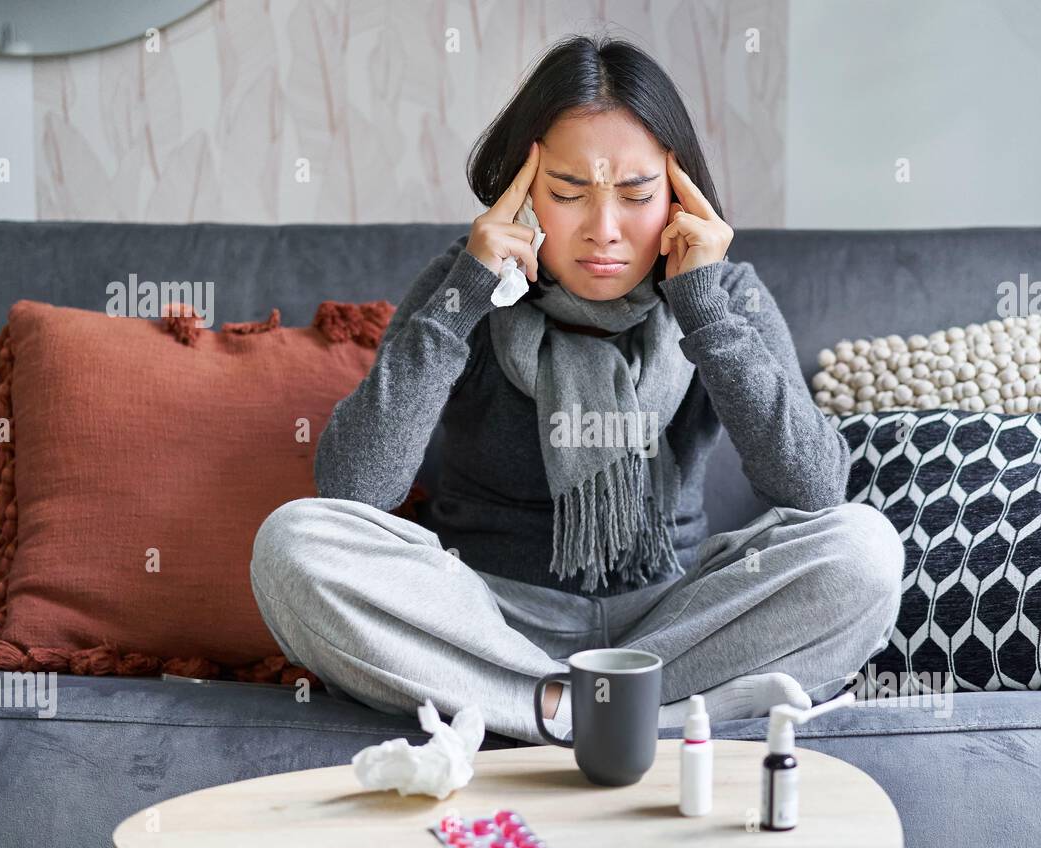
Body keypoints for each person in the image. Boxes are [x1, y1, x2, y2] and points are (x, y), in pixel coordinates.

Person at [249, 34, 904, 745]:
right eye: (567, 193)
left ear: (680, 192)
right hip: (486, 620)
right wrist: (466, 296)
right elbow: (354, 488)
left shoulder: (721, 295)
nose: (603, 231)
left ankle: (535, 711)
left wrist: (704, 312)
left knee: (864, 550)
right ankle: (580, 709)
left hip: (674, 624)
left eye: (635, 194)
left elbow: (814, 489)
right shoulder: (465, 282)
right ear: (523, 191)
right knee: (292, 544)